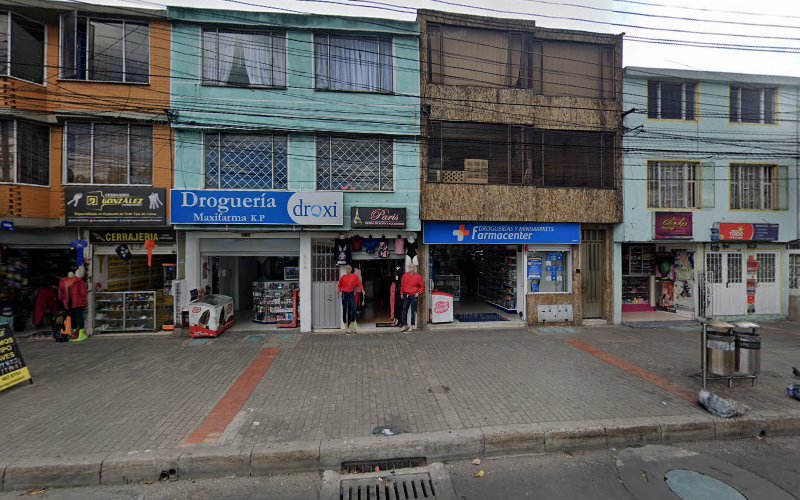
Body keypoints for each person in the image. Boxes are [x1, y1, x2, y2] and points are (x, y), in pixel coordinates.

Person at [338, 265, 364, 334]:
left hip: (351, 294)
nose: (348, 270)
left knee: (354, 309)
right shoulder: (343, 277)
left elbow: (359, 283)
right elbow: (339, 285)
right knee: (345, 310)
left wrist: (362, 290)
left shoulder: (354, 277)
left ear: (351, 269)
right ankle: (346, 327)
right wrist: (340, 291)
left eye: (349, 268)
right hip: (344, 294)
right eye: (347, 269)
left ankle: (351, 326)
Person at [400, 263, 424, 333]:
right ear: (408, 268)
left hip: (414, 296)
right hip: (406, 295)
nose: (411, 268)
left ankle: (411, 326)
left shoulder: (418, 276)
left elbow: (422, 286)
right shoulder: (405, 275)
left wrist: (418, 293)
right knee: (404, 310)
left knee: (413, 311)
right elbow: (402, 285)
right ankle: (404, 325)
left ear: (415, 268)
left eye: (412, 267)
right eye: (410, 267)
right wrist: (401, 293)